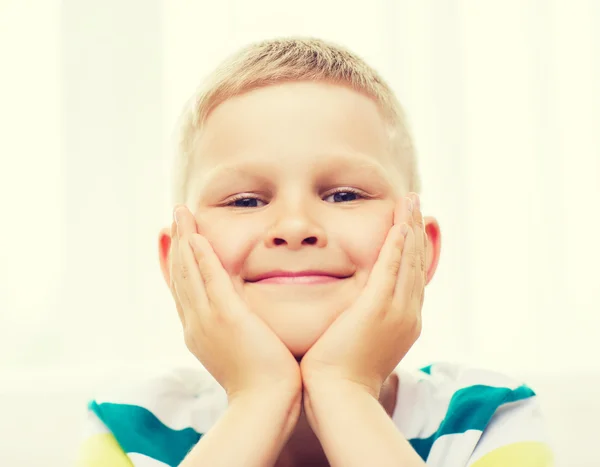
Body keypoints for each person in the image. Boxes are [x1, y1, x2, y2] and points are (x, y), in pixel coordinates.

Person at [77, 37, 553, 467]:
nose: (295, 227)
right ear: (177, 258)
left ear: (420, 250)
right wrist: (258, 398)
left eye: (344, 195)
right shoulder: (130, 428)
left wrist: (344, 390)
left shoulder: (487, 419)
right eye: (245, 201)